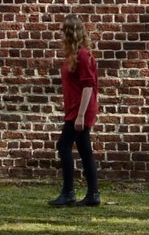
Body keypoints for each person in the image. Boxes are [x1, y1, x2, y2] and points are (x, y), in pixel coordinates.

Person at [50, 13, 101, 207]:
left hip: (81, 110)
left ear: (71, 32)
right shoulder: (73, 55)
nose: (59, 33)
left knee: (63, 146)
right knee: (84, 150)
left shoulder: (83, 55)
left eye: (63, 30)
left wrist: (80, 115)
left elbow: (88, 86)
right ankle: (93, 195)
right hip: (74, 108)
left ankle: (69, 192)